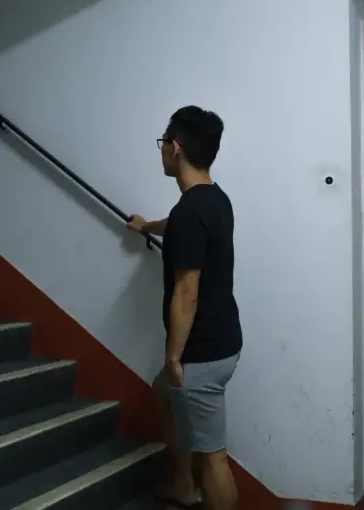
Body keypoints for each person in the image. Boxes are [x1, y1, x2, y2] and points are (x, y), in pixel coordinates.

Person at [128, 106, 243, 510]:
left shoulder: (192, 210)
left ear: (175, 148)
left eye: (163, 144)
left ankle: (197, 488)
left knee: (214, 457)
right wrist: (146, 226)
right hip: (222, 340)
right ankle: (182, 487)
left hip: (201, 352)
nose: (161, 151)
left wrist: (174, 355)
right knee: (164, 393)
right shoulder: (212, 200)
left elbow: (186, 292)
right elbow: (179, 225)